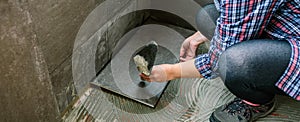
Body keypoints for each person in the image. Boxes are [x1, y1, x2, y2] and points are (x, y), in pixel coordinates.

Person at [140, 0, 300, 121]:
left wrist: (171, 72)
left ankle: (258, 102)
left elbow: (216, 63)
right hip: (291, 21)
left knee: (235, 63)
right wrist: (204, 35)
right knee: (207, 17)